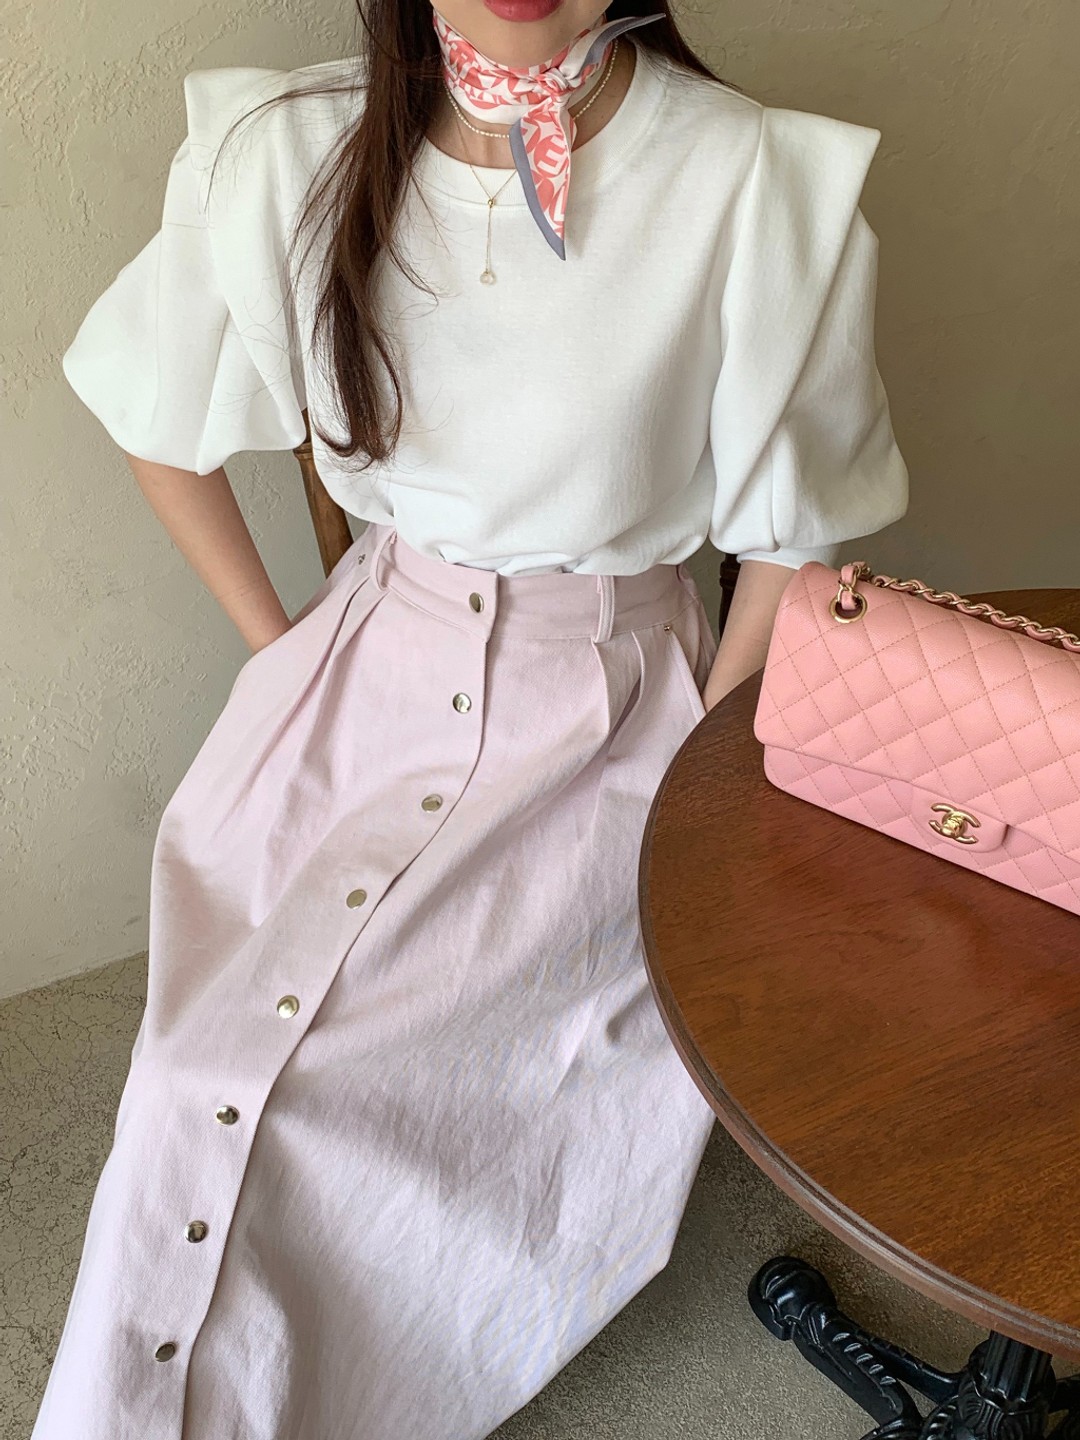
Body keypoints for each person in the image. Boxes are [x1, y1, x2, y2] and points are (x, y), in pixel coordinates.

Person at [34, 2, 909, 1436]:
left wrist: (705, 784)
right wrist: (283, 653)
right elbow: (153, 409)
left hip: (616, 717)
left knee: (370, 1082)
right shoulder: (281, 145)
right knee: (201, 1077)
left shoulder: (753, 179)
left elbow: (793, 541)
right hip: (364, 673)